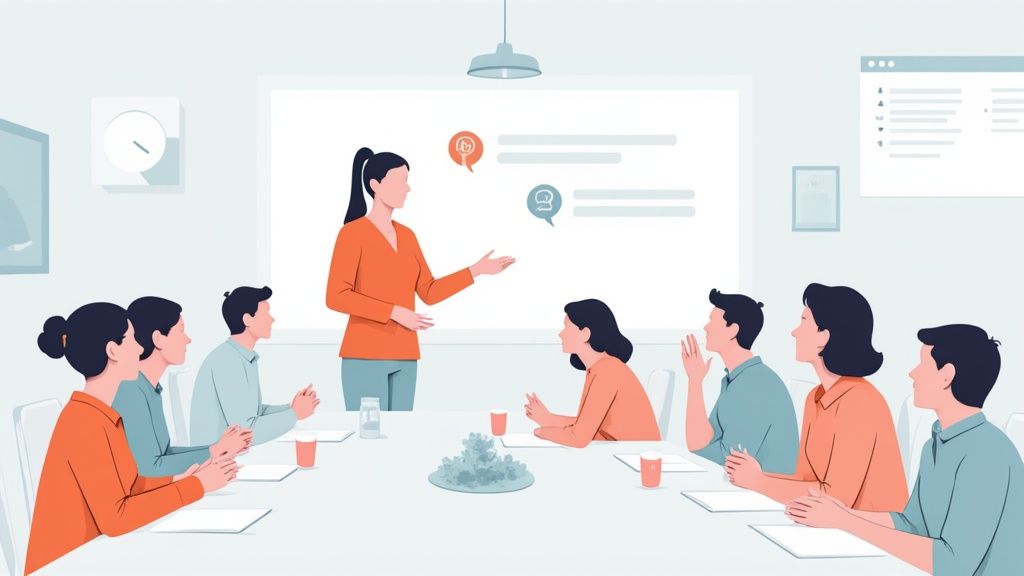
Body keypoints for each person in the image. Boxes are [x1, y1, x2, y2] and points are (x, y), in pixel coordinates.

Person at [786, 324, 1023, 575]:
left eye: (923, 364)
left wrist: (846, 522)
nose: (912, 373)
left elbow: (951, 564)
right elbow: (911, 525)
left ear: (946, 376)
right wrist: (844, 513)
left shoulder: (986, 454)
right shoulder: (935, 444)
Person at [25, 302, 236, 574]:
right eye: (132, 339)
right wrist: (197, 486)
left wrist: (180, 479)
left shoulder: (102, 414)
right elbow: (117, 519)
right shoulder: (84, 423)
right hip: (67, 565)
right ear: (112, 351)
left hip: (94, 557)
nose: (139, 348)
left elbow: (131, 484)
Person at [326, 147, 515, 411]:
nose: (407, 188)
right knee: (369, 433)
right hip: (364, 354)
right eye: (399, 181)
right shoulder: (352, 234)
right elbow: (336, 297)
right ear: (375, 185)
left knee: (402, 431)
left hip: (405, 354)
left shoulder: (407, 236)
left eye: (407, 180)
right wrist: (394, 312)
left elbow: (428, 291)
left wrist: (475, 270)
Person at [726, 283, 908, 511]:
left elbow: (835, 498)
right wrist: (755, 475)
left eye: (804, 321)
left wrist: (760, 482)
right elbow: (805, 480)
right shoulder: (815, 397)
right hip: (825, 523)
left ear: (824, 336)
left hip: (866, 528)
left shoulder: (861, 402)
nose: (794, 332)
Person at [113, 296, 253, 477]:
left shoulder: (148, 388)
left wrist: (218, 449)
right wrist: (215, 451)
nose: (188, 340)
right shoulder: (131, 391)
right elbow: (149, 468)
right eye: (181, 331)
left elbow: (164, 454)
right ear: (159, 339)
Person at [681, 289, 798, 473]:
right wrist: (695, 380)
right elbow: (700, 443)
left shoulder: (755, 385)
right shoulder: (735, 379)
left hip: (761, 489)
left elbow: (728, 461)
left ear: (733, 330)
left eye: (712, 321)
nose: (706, 327)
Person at [190, 286, 319, 445]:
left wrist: (291, 407)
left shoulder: (242, 357)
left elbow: (254, 412)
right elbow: (246, 431)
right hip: (220, 457)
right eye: (266, 313)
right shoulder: (228, 361)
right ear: (247, 319)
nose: (272, 319)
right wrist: (294, 414)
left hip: (234, 453)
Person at [525, 299, 661, 448]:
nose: (560, 334)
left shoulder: (608, 371)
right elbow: (587, 426)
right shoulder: (600, 368)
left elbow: (578, 438)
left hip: (636, 454)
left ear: (585, 333)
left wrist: (541, 432)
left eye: (566, 327)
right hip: (627, 451)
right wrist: (549, 419)